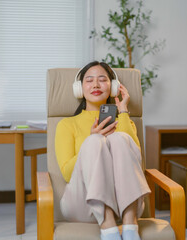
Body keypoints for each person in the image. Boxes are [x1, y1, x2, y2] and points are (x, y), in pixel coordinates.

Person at [55, 61, 150, 240]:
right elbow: (67, 173)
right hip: (82, 205)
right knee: (93, 141)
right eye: (89, 80)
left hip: (124, 206)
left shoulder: (124, 121)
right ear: (79, 88)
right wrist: (91, 140)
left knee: (120, 138)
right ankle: (108, 229)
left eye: (102, 80)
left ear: (113, 87)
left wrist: (123, 111)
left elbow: (137, 163)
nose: (96, 85)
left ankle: (130, 227)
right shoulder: (67, 125)